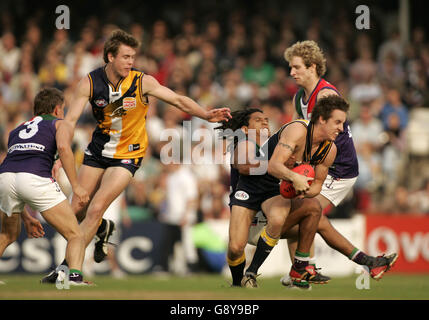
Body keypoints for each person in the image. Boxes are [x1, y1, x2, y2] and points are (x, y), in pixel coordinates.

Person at [41, 29, 231, 283]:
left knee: (97, 207)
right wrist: (55, 154)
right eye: (125, 57)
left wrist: (205, 114)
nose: (131, 62)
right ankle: (100, 230)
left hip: (129, 155)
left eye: (133, 57)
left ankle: (67, 270)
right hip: (98, 151)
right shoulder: (89, 82)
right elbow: (70, 121)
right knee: (75, 209)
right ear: (110, 57)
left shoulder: (143, 82)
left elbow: (178, 100)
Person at [281, 40, 397, 285]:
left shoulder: (326, 95)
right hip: (320, 163)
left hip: (339, 168)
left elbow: (317, 138)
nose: (291, 73)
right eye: (290, 67)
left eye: (296, 67)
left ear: (312, 67)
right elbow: (291, 131)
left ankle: (309, 268)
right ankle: (302, 272)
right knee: (300, 209)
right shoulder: (298, 99)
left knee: (306, 212)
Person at [0, 88, 90, 285]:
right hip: (35, 177)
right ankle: (74, 277)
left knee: (7, 234)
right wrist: (76, 186)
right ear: (57, 109)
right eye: (63, 109)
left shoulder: (17, 129)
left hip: (5, 177)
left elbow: (16, 178)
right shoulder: (61, 124)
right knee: (75, 234)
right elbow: (64, 148)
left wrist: (26, 217)